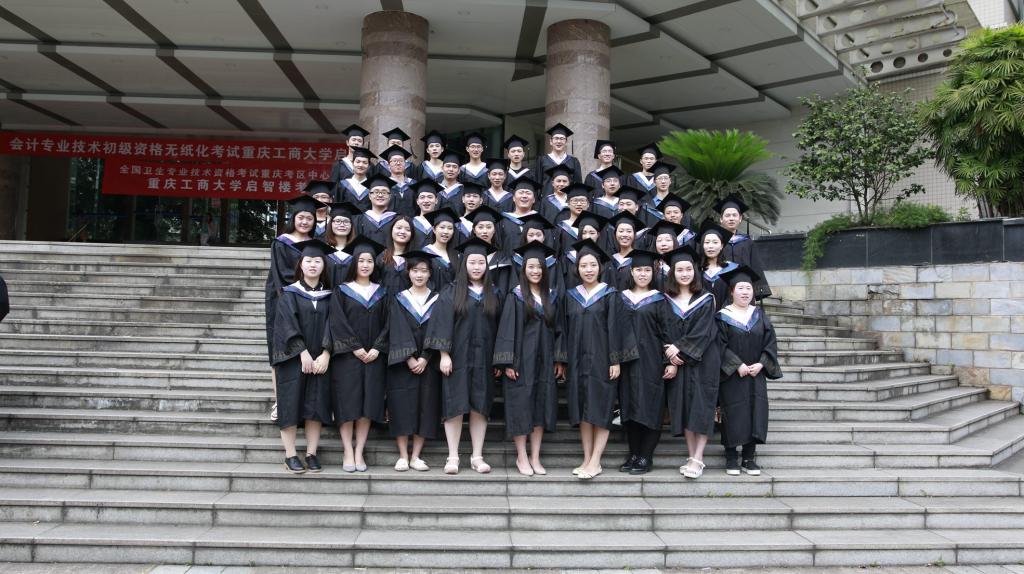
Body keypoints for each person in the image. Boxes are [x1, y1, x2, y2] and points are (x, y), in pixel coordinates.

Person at [428, 237, 503, 474]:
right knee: (455, 405)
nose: (477, 267)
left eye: (481, 262)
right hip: (457, 357)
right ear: (464, 265)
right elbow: (442, 322)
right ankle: (453, 456)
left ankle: (477, 456)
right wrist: (444, 354)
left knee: (480, 406)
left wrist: (499, 359)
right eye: (472, 262)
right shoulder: (451, 291)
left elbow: (501, 328)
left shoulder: (494, 293)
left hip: (484, 358)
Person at [563, 238, 637, 480]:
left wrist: (615, 360)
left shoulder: (610, 295)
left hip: (602, 361)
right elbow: (563, 330)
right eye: (584, 265)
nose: (588, 269)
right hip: (577, 361)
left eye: (593, 265)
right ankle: (586, 459)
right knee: (584, 410)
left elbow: (617, 329)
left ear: (600, 267)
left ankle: (596, 461)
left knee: (601, 409)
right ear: (577, 268)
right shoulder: (571, 296)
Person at [494, 241, 566, 476]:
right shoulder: (515, 296)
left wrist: (559, 359)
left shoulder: (551, 297)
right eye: (531, 267)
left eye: (539, 267)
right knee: (520, 406)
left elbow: (559, 330)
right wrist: (508, 362)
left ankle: (535, 456)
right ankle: (521, 457)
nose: (535, 271)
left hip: (545, 361)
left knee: (541, 405)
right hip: (521, 362)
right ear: (523, 269)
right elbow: (507, 330)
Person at [272, 238, 334, 474]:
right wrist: (303, 352)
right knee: (290, 405)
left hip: (320, 361)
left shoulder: (330, 295)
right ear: (301, 264)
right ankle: (290, 455)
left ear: (323, 265)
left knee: (316, 406)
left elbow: (334, 325)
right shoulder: (289, 294)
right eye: (308, 261)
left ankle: (311, 453)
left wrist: (326, 353)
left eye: (317, 261)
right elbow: (286, 325)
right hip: (293, 360)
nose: (313, 265)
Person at [327, 236, 388, 473]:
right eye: (361, 260)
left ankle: (359, 450)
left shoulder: (382, 292)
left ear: (374, 264)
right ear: (354, 263)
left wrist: (377, 348)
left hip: (374, 356)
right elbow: (337, 321)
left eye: (369, 261)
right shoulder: (342, 291)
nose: (365, 265)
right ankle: (347, 450)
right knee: (347, 403)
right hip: (347, 357)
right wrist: (355, 347)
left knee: (367, 404)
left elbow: (389, 324)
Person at [716, 265, 781, 476]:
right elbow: (719, 345)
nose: (745, 292)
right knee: (732, 413)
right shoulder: (722, 317)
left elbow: (770, 342)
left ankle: (748, 457)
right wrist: (737, 365)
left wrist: (762, 363)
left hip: (756, 374)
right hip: (732, 376)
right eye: (740, 288)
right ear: (731, 291)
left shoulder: (759, 315)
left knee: (755, 411)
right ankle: (731, 457)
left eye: (748, 288)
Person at [265, 194, 326, 422]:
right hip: (283, 300)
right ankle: (280, 401)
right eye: (301, 217)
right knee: (279, 351)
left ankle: (306, 403)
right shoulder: (281, 242)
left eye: (309, 218)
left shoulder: (317, 245)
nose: (305, 222)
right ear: (293, 218)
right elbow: (281, 275)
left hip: (312, 303)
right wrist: (297, 295)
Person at [661, 245, 719, 479]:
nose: (684, 273)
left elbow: (705, 331)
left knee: (701, 407)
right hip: (678, 362)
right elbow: (663, 329)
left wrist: (679, 350)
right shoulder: (666, 300)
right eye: (679, 270)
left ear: (695, 271)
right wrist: (670, 356)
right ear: (672, 273)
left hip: (703, 360)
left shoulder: (706, 299)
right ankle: (691, 454)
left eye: (688, 269)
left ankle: (698, 457)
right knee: (683, 406)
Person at [386, 249, 443, 471]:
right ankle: (402, 455)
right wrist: (409, 357)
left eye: (424, 271)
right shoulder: (399, 299)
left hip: (429, 363)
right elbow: (396, 328)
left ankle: (416, 456)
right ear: (408, 272)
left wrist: (426, 357)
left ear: (430, 274)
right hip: (402, 364)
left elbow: (439, 328)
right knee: (401, 405)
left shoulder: (438, 299)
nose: (419, 275)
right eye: (415, 270)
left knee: (426, 406)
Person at [617, 249, 671, 475]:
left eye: (647, 270)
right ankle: (634, 454)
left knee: (650, 408)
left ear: (653, 272)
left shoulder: (660, 299)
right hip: (626, 362)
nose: (642, 274)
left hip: (651, 362)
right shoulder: (620, 297)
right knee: (629, 408)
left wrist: (669, 362)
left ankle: (646, 457)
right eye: (638, 270)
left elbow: (668, 332)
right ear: (631, 272)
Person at [715, 195, 772, 300]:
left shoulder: (747, 242)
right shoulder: (715, 241)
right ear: (721, 219)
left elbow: (755, 266)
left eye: (734, 215)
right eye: (727, 215)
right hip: (720, 289)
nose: (731, 218)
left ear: (740, 218)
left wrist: (759, 290)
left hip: (744, 290)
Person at [699, 220, 738, 310]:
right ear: (702, 246)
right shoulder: (696, 270)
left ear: (721, 246)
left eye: (715, 242)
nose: (711, 246)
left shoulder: (732, 269)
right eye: (707, 242)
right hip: (701, 316)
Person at [603, 211, 645, 291]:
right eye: (621, 231)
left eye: (629, 231)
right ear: (615, 234)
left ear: (634, 235)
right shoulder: (609, 260)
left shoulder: (639, 259)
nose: (624, 234)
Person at [537, 123, 582, 196]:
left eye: (562, 139)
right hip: (546, 200)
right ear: (551, 142)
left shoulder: (573, 161)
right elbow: (538, 183)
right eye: (556, 138)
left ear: (566, 142)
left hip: (567, 200)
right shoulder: (542, 160)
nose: (559, 141)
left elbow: (577, 185)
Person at [323, 201, 360, 288]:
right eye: (338, 221)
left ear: (351, 225)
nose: (342, 225)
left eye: (346, 221)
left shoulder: (357, 251)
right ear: (331, 224)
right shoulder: (324, 251)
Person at [423, 207, 460, 289]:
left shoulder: (456, 255)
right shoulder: (426, 253)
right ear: (434, 230)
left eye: (450, 228)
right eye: (442, 227)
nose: (446, 231)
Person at [378, 215, 414, 295]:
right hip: (384, 301)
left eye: (408, 229)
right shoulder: (381, 257)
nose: (403, 232)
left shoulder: (415, 258)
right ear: (391, 230)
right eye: (399, 228)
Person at [555, 183, 592, 255]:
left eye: (582, 201)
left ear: (588, 204)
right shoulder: (561, 227)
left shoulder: (593, 227)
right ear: (568, 204)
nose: (579, 204)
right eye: (575, 201)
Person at [336, 146, 375, 212]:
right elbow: (337, 207)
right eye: (358, 162)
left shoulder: (372, 186)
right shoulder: (343, 185)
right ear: (353, 163)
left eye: (365, 162)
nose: (361, 165)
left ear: (369, 166)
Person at [379, 145, 415, 216]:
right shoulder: (383, 185)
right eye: (394, 161)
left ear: (405, 164)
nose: (398, 163)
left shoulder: (413, 184)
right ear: (388, 165)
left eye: (401, 161)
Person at [410, 179, 442, 248]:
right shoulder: (411, 223)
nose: (426, 200)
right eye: (422, 197)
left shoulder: (441, 223)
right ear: (417, 201)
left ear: (436, 200)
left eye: (430, 197)